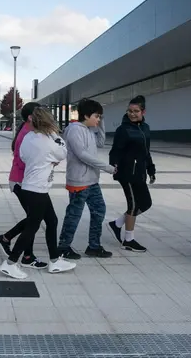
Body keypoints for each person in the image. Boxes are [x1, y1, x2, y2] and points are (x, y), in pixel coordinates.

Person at [0, 107, 76, 279]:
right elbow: (62, 152)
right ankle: (10, 263)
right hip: (38, 189)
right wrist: (54, 135)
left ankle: (54, 260)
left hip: (30, 186)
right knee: (32, 227)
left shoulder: (29, 137)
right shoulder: (49, 141)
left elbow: (23, 156)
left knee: (52, 221)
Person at [56, 98, 116, 259]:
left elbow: (101, 142)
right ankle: (63, 247)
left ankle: (94, 246)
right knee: (74, 214)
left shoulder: (89, 130)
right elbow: (82, 155)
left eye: (100, 117)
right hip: (79, 181)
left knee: (99, 210)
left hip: (92, 181)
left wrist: (101, 122)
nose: (98, 119)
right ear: (86, 115)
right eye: (96, 116)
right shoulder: (74, 130)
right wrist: (108, 168)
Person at [0, 102, 48, 269]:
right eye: (41, 112)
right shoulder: (28, 133)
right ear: (31, 117)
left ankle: (9, 240)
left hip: (25, 181)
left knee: (34, 218)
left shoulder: (29, 130)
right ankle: (24, 255)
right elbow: (25, 160)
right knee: (34, 219)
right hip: (22, 182)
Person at [106, 95, 155, 253]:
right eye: (130, 111)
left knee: (146, 203)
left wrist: (151, 169)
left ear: (143, 112)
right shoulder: (123, 129)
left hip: (140, 173)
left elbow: (146, 152)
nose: (132, 114)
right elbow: (115, 151)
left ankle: (117, 224)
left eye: (136, 111)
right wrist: (114, 165)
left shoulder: (145, 128)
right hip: (126, 173)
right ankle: (128, 240)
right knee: (133, 205)